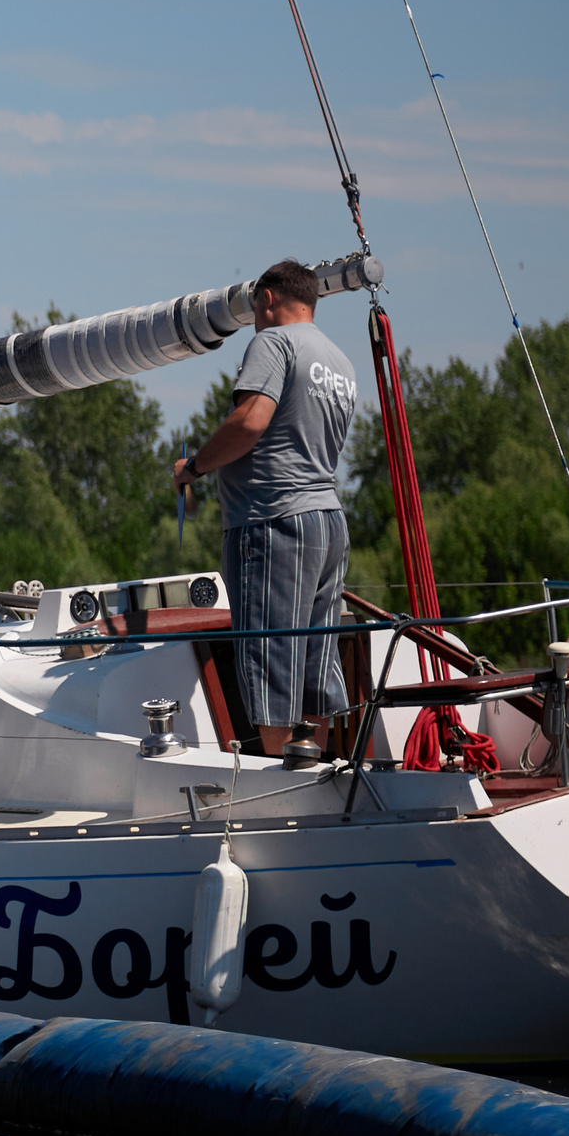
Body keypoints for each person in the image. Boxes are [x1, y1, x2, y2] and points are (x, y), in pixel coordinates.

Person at [173, 259, 360, 766]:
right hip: (327, 521)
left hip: (273, 521)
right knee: (315, 657)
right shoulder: (340, 362)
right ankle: (313, 770)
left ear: (269, 299)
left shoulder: (273, 343)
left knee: (269, 654)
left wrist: (195, 467)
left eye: (257, 309)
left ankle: (285, 785)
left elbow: (251, 421)